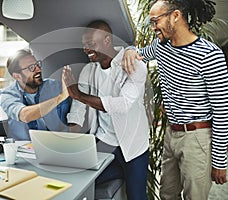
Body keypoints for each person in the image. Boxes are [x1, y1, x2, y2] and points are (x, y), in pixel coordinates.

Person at [121, 0, 228, 199]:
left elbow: (222, 112)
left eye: (155, 21)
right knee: (167, 194)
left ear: (176, 16)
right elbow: (140, 54)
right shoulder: (161, 47)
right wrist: (129, 50)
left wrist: (220, 163)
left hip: (198, 138)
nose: (153, 28)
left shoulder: (210, 55)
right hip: (172, 135)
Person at [63, 20, 150, 200]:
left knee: (136, 196)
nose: (86, 49)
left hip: (133, 146)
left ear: (107, 40)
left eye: (91, 44)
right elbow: (78, 109)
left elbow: (123, 105)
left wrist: (78, 95)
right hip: (104, 143)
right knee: (80, 185)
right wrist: (71, 144)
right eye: (84, 45)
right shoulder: (89, 70)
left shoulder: (134, 64)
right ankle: (117, 172)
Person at [0, 49, 71, 140]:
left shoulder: (56, 87)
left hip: (58, 144)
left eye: (37, 64)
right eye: (31, 67)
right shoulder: (8, 95)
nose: (38, 69)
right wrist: (60, 98)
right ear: (17, 76)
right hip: (25, 150)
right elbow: (25, 115)